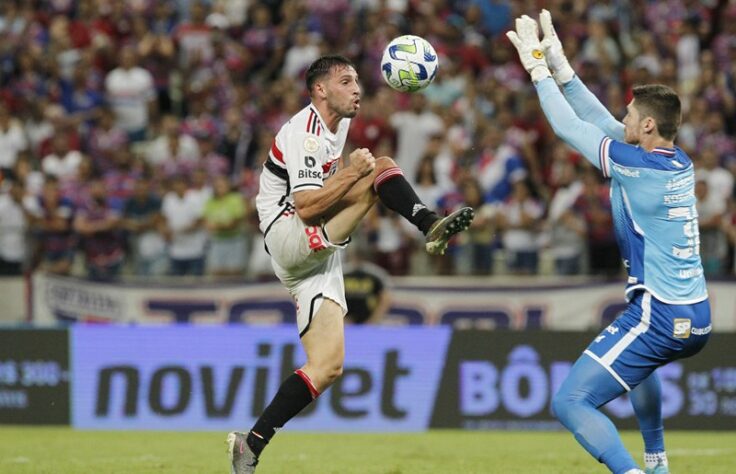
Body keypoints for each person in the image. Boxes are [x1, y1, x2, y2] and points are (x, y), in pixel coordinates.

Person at [227, 55, 474, 473]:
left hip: (311, 253)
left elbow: (325, 188)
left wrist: (347, 175)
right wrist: (351, 174)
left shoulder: (337, 125)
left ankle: (249, 445)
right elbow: (305, 206)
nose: (357, 88)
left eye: (358, 80)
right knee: (378, 167)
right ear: (320, 90)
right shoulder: (303, 132)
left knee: (327, 367)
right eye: (346, 81)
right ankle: (430, 225)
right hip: (287, 232)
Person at [507, 11, 710, 474]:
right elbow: (600, 120)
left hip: (659, 313)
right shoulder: (674, 159)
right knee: (641, 369)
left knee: (571, 401)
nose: (622, 120)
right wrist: (562, 65)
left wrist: (538, 71)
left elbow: (571, 128)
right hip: (694, 314)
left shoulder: (636, 165)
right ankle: (656, 462)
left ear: (647, 129)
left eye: (631, 117)